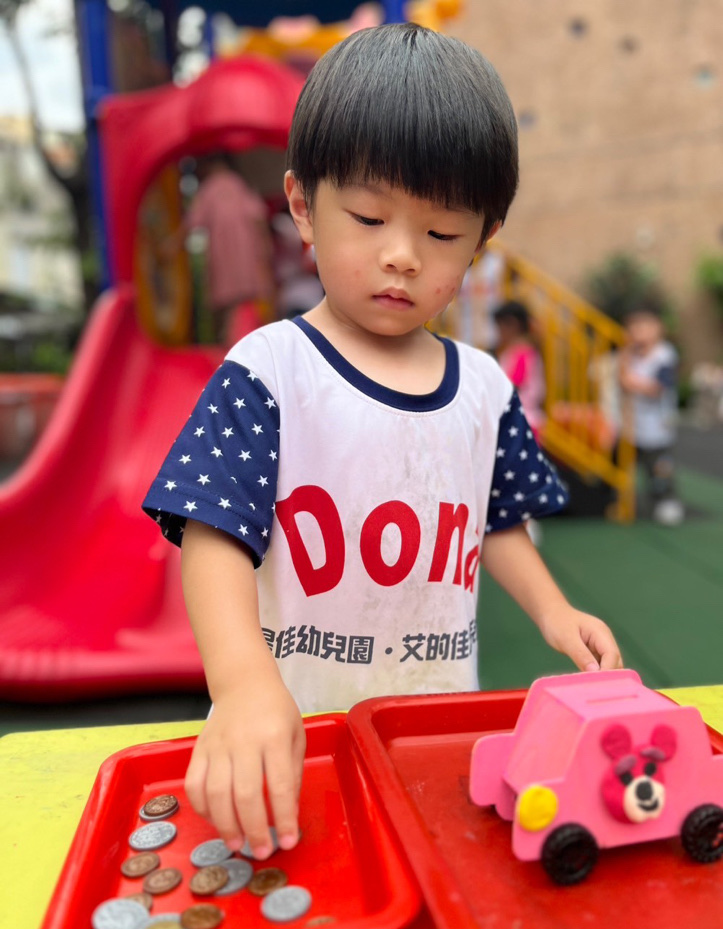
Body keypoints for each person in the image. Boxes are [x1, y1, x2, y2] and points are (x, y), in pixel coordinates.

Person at [143, 24, 622, 862]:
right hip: (295, 734)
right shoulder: (270, 370)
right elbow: (213, 532)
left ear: (482, 238)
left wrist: (555, 611)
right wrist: (241, 683)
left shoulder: (483, 388)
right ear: (302, 205)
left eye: (441, 235)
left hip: (434, 729)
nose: (401, 256)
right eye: (367, 217)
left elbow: (495, 519)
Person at [164, 154, 274, 346]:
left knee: (227, 308)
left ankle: (228, 345)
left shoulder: (209, 188)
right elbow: (258, 217)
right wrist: (265, 247)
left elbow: (192, 222)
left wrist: (172, 245)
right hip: (248, 258)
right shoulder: (239, 183)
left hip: (224, 260)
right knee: (251, 306)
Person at [619, 304, 684, 525]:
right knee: (629, 464)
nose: (637, 332)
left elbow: (658, 387)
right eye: (633, 327)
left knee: (659, 468)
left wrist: (631, 382)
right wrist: (626, 353)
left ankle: (666, 501)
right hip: (633, 424)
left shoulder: (665, 355)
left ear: (658, 328)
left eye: (643, 326)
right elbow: (621, 378)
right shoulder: (631, 354)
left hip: (658, 426)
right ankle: (627, 502)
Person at [493, 299, 546, 437]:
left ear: (513, 325)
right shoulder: (519, 350)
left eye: (500, 327)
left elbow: (513, 382)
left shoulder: (521, 352)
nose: (499, 333)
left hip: (522, 420)